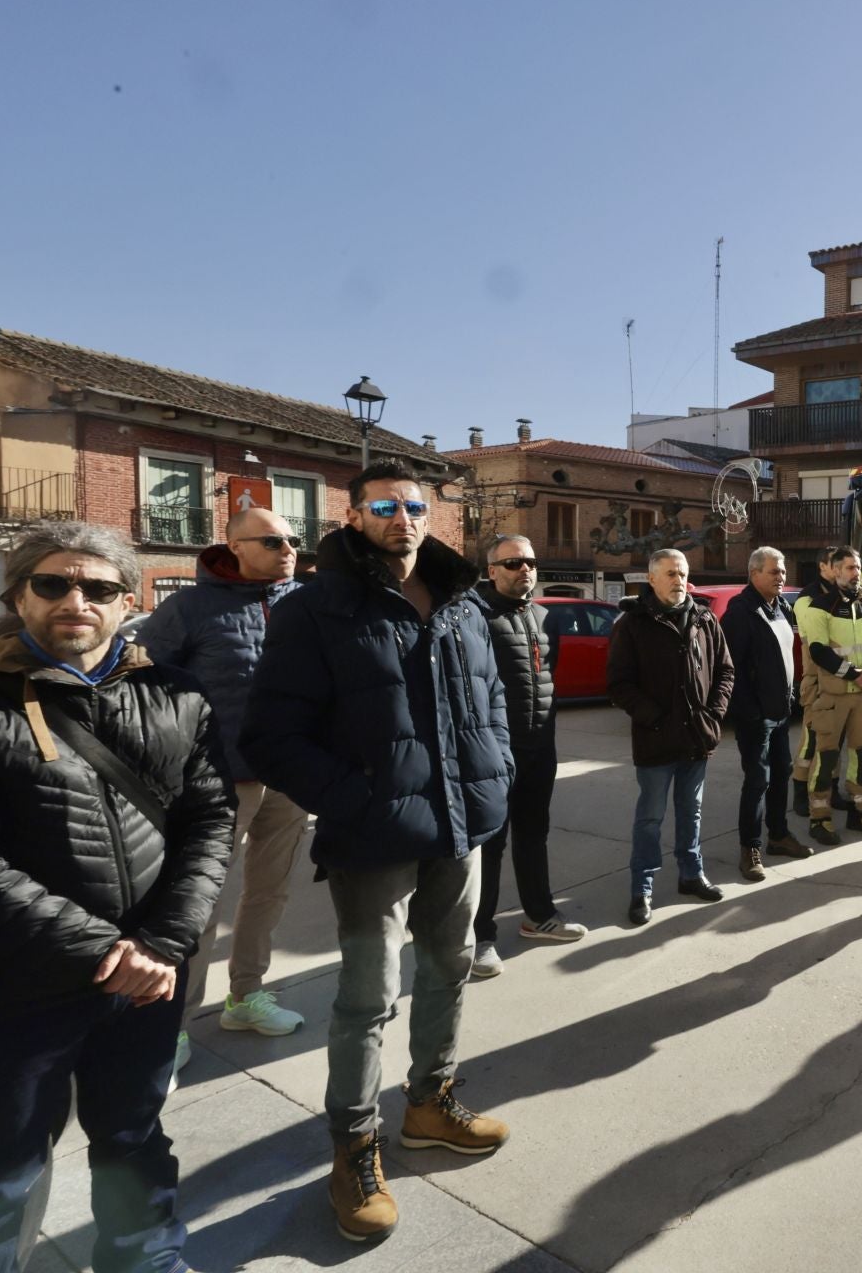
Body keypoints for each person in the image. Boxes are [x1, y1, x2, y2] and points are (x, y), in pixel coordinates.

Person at [242, 460, 515, 1243]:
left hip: (459, 827)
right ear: (356, 516)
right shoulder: (317, 607)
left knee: (449, 969)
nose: (404, 517)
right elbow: (271, 735)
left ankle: (429, 1103)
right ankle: (354, 1148)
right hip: (372, 838)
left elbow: (490, 701)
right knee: (367, 1000)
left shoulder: (462, 601)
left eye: (416, 506)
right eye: (386, 506)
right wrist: (356, 796)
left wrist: (495, 775)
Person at [0, 522, 233, 1273]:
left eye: (99, 587)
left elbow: (209, 820)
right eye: (54, 583)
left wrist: (165, 942)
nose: (76, 599)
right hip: (15, 988)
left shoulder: (176, 695)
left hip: (147, 979)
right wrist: (104, 950)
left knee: (134, 1135)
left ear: (128, 601)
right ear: (19, 595)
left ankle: (147, 1261)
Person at [136, 506, 308, 1070]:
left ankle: (246, 995)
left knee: (269, 892)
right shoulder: (188, 607)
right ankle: (172, 1024)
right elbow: (145, 686)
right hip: (214, 780)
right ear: (234, 546)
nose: (289, 550)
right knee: (199, 905)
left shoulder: (303, 604)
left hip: (287, 775)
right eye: (273, 541)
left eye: (293, 539)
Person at [464, 533, 587, 980]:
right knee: (490, 844)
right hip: (494, 751)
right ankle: (480, 937)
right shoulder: (472, 615)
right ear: (491, 570)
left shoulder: (541, 616)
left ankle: (539, 916)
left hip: (540, 747)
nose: (525, 570)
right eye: (514, 562)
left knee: (534, 833)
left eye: (530, 562)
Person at [607, 548, 734, 923]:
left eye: (683, 573)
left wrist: (714, 716)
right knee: (650, 817)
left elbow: (725, 671)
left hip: (696, 738)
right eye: (671, 574)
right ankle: (641, 888)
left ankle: (691, 875)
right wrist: (654, 717)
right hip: (655, 739)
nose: (679, 581)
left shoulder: (704, 619)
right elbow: (619, 683)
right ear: (651, 579)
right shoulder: (632, 624)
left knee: (691, 813)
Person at [721, 546, 811, 881]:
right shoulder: (740, 612)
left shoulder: (781, 607)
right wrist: (751, 711)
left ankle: (779, 835)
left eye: (783, 571)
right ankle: (750, 847)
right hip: (756, 716)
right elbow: (731, 669)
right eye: (774, 572)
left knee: (781, 774)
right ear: (754, 573)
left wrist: (788, 699)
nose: (781, 577)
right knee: (758, 780)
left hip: (781, 711)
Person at [797, 546, 862, 846]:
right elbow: (818, 651)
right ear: (834, 571)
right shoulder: (819, 606)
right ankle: (819, 818)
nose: (855, 573)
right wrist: (854, 674)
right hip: (834, 696)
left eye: (858, 567)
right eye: (849, 568)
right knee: (826, 756)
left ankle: (859, 811)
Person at [789, 548, 837, 817]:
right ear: (822, 567)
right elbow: (817, 641)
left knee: (835, 743)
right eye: (836, 565)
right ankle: (799, 790)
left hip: (841, 682)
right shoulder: (807, 598)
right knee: (810, 740)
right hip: (817, 681)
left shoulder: (844, 594)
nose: (842, 569)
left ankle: (833, 789)